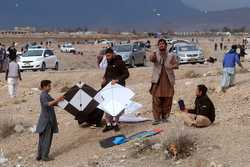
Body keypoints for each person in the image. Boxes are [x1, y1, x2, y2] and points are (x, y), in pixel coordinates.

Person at [150, 39, 178, 125]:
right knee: (156, 99)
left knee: (168, 99)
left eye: (163, 44)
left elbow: (176, 65)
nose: (161, 45)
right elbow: (152, 59)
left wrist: (171, 66)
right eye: (160, 44)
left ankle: (165, 117)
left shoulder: (171, 55)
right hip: (157, 80)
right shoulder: (155, 54)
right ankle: (156, 119)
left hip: (168, 80)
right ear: (158, 45)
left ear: (166, 45)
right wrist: (153, 54)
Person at [101, 48, 129, 132]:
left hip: (118, 87)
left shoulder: (120, 62)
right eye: (106, 56)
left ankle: (115, 123)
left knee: (117, 106)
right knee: (107, 105)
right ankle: (108, 124)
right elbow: (107, 73)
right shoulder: (108, 62)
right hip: (108, 87)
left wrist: (117, 80)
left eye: (109, 55)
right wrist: (104, 78)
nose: (107, 57)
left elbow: (126, 74)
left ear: (113, 54)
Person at [35, 80, 64, 161]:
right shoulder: (43, 95)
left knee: (42, 139)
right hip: (47, 121)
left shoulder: (47, 95)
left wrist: (62, 102)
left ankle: (40, 155)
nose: (50, 88)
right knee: (47, 139)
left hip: (45, 120)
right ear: (44, 87)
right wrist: (58, 100)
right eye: (49, 86)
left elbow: (54, 103)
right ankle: (44, 156)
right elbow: (47, 104)